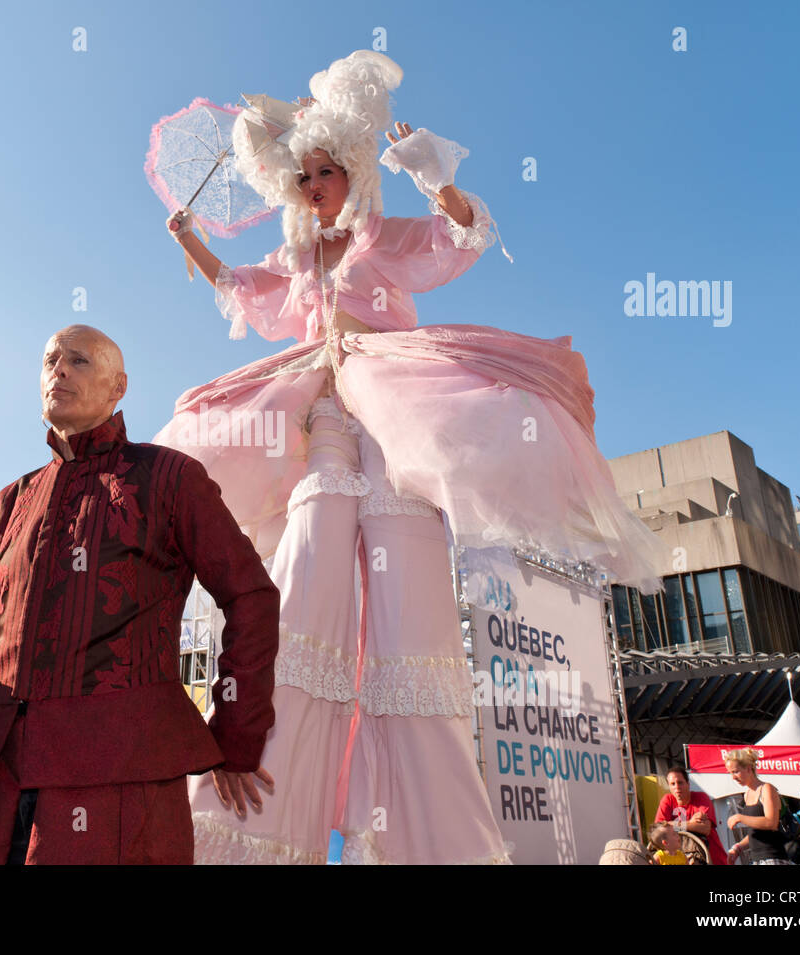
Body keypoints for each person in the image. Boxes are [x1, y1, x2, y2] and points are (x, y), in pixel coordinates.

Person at [156, 50, 665, 864]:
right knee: (306, 583)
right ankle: (260, 822)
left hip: (395, 412)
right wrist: (191, 239)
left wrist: (436, 179)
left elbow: (458, 236)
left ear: (352, 174)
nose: (314, 184)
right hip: (324, 415)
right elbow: (246, 291)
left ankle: (430, 842)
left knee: (408, 605)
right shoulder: (299, 261)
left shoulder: (384, 238)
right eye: (304, 175)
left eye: (326, 170)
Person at [0, 325, 280, 865]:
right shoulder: (11, 501)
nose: (59, 370)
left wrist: (236, 733)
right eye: (51, 359)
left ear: (117, 387)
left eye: (79, 361)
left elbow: (252, 595)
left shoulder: (170, 477)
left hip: (119, 782)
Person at [723, 747, 789, 865]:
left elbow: (771, 823)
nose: (733, 777)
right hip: (756, 859)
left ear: (748, 768)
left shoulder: (766, 789)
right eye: (730, 773)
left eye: (735, 771)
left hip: (773, 857)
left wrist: (740, 817)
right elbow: (755, 832)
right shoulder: (747, 795)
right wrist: (738, 847)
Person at [654, 766, 728, 865]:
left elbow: (705, 829)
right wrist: (690, 823)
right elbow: (659, 829)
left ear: (688, 784)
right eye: (672, 784)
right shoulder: (667, 800)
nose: (677, 787)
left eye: (680, 783)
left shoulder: (701, 797)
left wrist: (672, 825)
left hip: (713, 858)